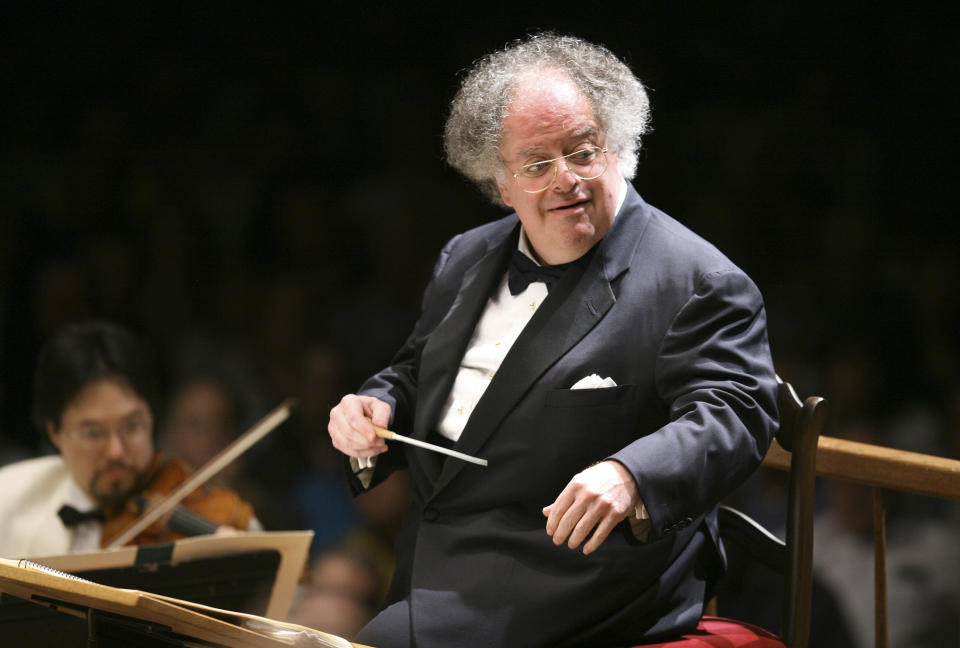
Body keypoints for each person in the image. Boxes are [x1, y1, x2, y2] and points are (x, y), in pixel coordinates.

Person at [327, 33, 778, 647]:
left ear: (617, 148)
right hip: (429, 566)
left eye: (583, 152)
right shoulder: (465, 255)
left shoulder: (699, 281)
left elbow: (737, 412)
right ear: (501, 184)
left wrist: (630, 475)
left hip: (576, 577)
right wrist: (376, 405)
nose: (565, 178)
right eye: (537, 164)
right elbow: (414, 370)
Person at [0, 320, 260, 559]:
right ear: (55, 433)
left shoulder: (210, 512)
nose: (116, 451)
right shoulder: (10, 501)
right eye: (93, 432)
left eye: (132, 426)